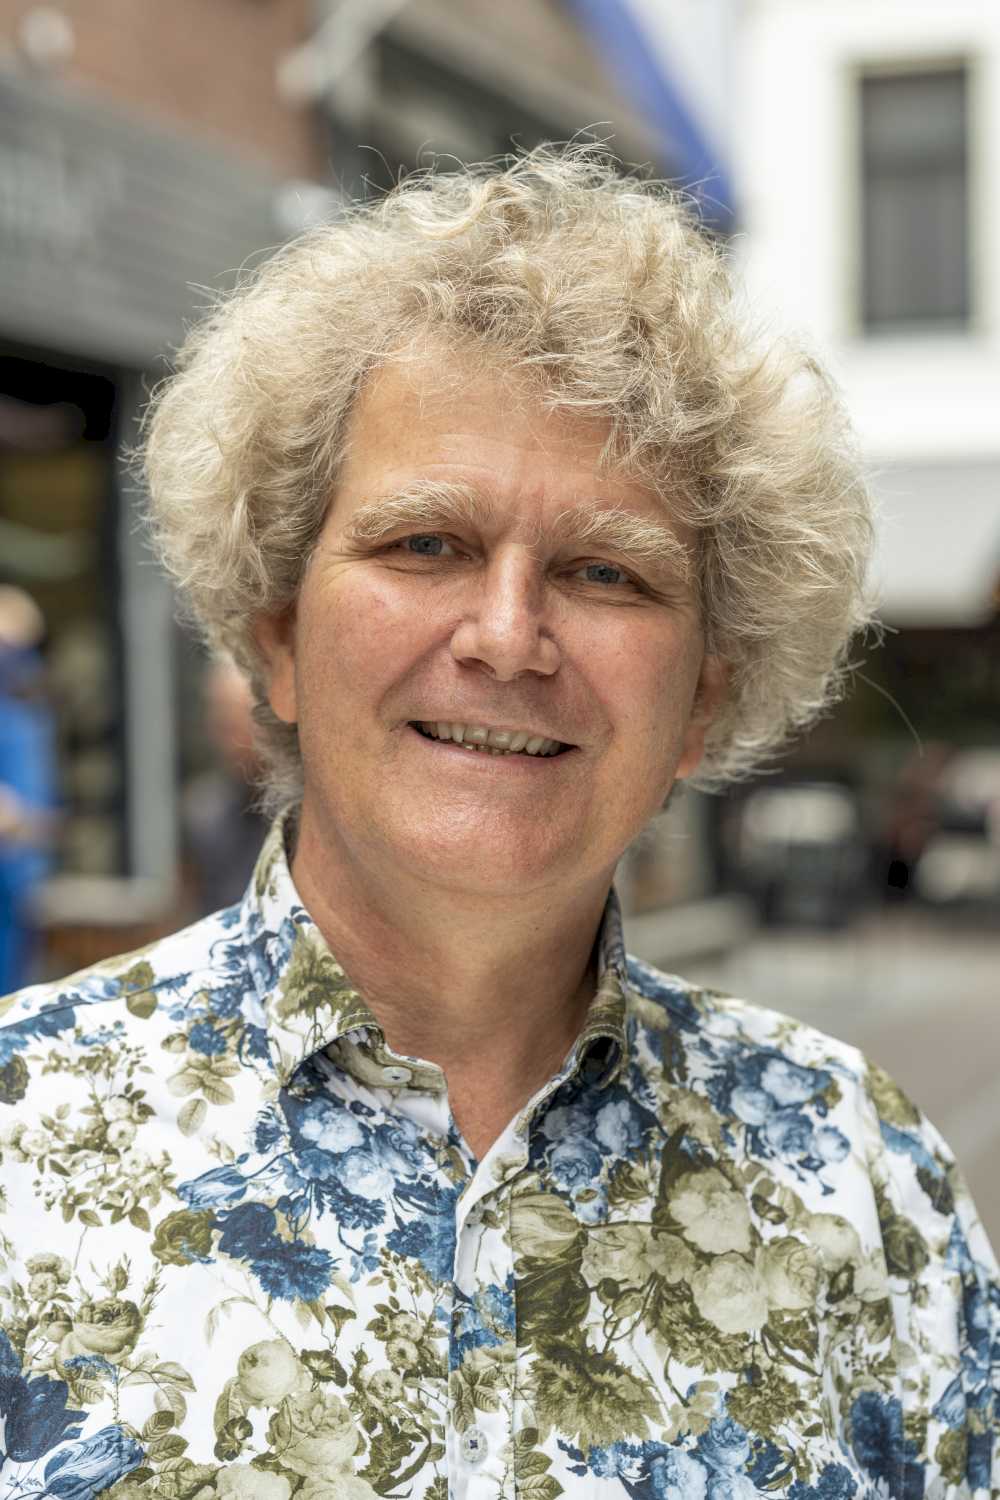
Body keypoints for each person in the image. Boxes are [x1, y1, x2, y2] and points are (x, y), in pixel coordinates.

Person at [0, 148, 995, 1500]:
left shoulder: (858, 1176)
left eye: (607, 572)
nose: (509, 636)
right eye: (426, 545)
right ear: (278, 640)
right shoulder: (24, 1137)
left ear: (702, 701)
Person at [180, 656, 270, 916]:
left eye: (235, 721)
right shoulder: (203, 813)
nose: (226, 737)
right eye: (220, 721)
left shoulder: (308, 812)